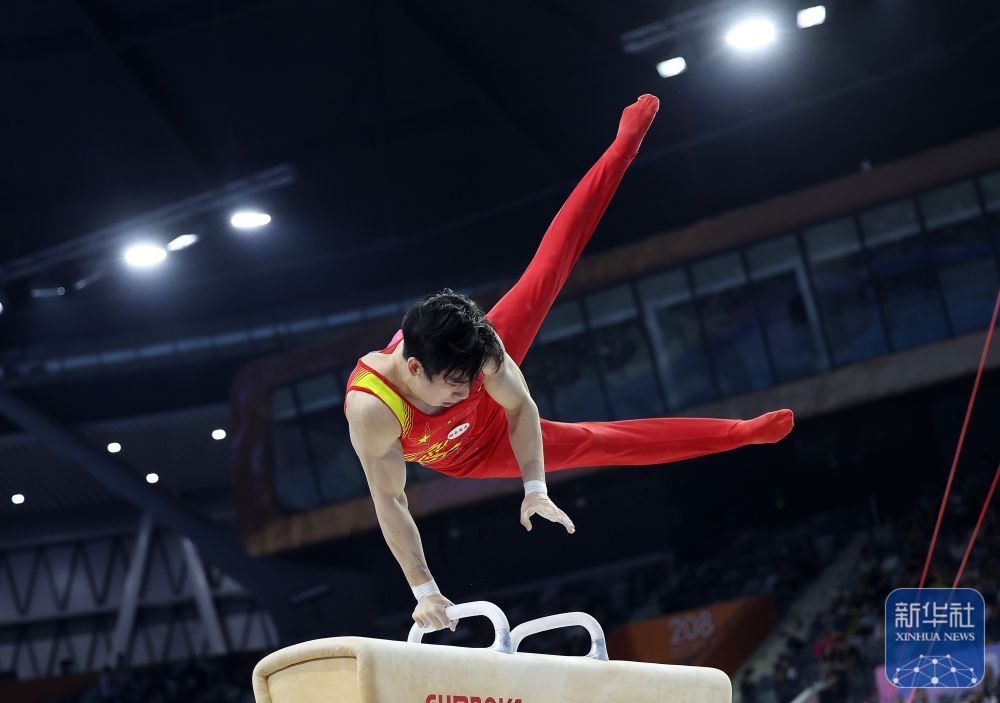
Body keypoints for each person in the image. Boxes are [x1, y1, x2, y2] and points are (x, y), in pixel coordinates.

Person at [343, 94, 795, 634]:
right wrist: (424, 589)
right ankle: (735, 435)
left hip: (503, 423)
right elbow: (390, 499)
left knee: (548, 268)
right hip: (473, 455)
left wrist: (537, 488)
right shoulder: (373, 410)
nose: (466, 394)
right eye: (453, 387)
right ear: (413, 368)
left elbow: (521, 406)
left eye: (473, 380)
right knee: (600, 441)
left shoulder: (480, 355)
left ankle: (622, 148)